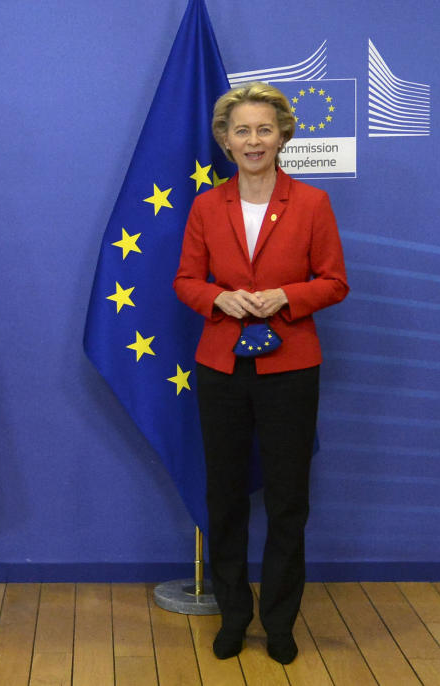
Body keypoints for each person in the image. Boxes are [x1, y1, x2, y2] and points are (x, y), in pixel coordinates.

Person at [173, 82, 348, 664]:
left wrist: (285, 297)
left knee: (287, 499)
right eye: (241, 130)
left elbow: (333, 281)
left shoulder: (313, 204)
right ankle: (233, 614)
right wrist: (216, 301)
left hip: (290, 368)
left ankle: (278, 621)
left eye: (264, 130)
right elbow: (185, 280)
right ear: (225, 140)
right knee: (224, 497)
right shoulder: (205, 206)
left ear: (283, 135)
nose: (254, 140)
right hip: (221, 367)